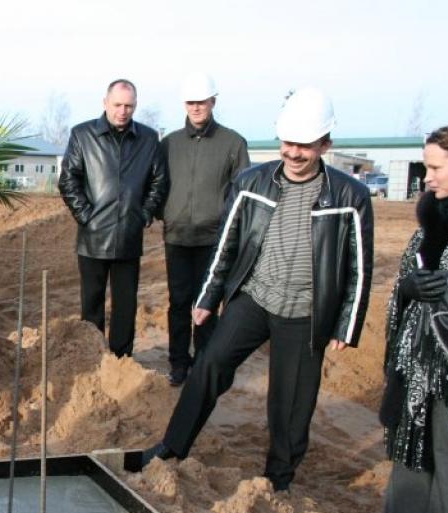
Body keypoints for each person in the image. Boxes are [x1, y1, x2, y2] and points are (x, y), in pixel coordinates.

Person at [142, 88, 374, 491]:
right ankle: (172, 447)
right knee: (209, 366)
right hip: (254, 298)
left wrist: (346, 325)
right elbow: (226, 244)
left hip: (306, 311)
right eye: (288, 143)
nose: (294, 153)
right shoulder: (252, 183)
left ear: (325, 144)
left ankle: (277, 479)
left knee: (290, 402)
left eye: (305, 145)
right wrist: (207, 298)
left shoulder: (349, 195)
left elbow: (359, 266)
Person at [379, 121, 448, 513]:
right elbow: (404, 285)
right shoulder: (431, 218)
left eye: (434, 167)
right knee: (411, 449)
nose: (426, 177)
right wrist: (409, 290)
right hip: (417, 364)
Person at [58, 78, 168, 358]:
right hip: (93, 237)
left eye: (129, 105)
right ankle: (92, 357)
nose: (123, 111)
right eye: (117, 104)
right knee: (92, 303)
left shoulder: (147, 138)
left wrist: (143, 214)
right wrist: (86, 216)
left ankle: (120, 359)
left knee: (125, 305)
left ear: (135, 106)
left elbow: (159, 180)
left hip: (129, 236)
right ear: (105, 103)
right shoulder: (83, 135)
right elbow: (68, 179)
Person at [159, 73, 249, 386]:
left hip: (215, 241)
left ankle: (205, 363)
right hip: (178, 238)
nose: (196, 107)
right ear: (185, 104)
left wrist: (233, 232)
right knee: (179, 303)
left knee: (208, 303)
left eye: (202, 101)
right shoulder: (169, 143)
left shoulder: (233, 143)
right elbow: (158, 185)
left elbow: (243, 194)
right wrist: (166, 215)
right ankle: (178, 363)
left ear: (213, 101)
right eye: (191, 102)